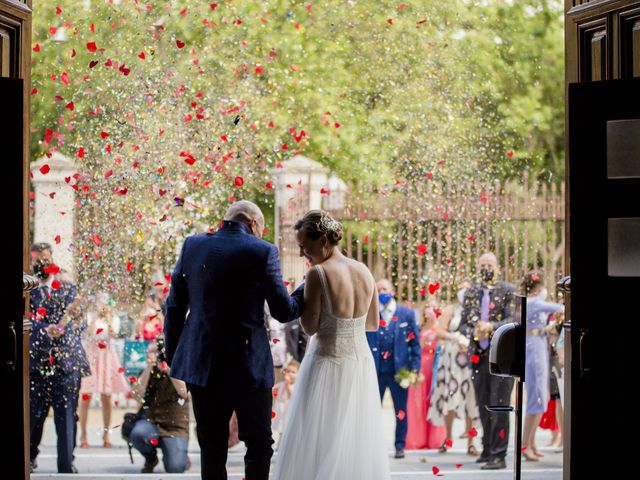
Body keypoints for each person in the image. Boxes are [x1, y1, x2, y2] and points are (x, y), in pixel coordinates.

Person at [164, 200, 304, 480]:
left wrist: (175, 357)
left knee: (212, 448)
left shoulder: (192, 245)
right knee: (259, 445)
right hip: (248, 364)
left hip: (203, 364)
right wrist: (307, 285)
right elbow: (283, 310)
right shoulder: (263, 250)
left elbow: (174, 306)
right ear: (253, 224)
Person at [272, 210, 390, 480]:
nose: (303, 254)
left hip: (326, 361)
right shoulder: (364, 270)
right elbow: (372, 323)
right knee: (354, 438)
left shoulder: (318, 274)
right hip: (359, 363)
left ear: (323, 240)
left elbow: (310, 327)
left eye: (305, 246)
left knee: (318, 437)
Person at [29, 242, 90, 473]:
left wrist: (69, 324)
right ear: (31, 262)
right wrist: (44, 329)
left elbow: (80, 323)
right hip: (36, 363)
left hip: (66, 361)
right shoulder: (27, 291)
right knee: (34, 415)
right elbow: (25, 322)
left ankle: (66, 464)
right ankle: (29, 456)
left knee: (65, 416)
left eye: (46, 259)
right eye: (38, 260)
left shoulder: (68, 289)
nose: (43, 264)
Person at [459, 252, 517, 470]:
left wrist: (490, 327)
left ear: (498, 267)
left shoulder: (509, 290)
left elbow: (514, 319)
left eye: (490, 264)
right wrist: (474, 331)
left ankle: (499, 455)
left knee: (499, 405)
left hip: (501, 357)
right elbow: (462, 324)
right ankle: (487, 447)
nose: (486, 268)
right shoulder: (472, 292)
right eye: (482, 265)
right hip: (478, 356)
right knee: (483, 404)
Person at [366, 278, 422, 459]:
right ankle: (372, 445)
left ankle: (400, 445)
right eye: (379, 289)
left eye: (385, 288)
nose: (382, 292)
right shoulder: (370, 313)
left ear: (392, 290)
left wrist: (414, 370)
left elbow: (415, 344)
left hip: (400, 372)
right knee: (373, 411)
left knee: (400, 411)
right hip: (376, 372)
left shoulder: (406, 314)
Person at [428, 280, 480, 456]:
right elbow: (439, 331)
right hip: (451, 360)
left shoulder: (476, 310)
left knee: (471, 400)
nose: (464, 292)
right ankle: (448, 438)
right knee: (450, 396)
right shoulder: (451, 309)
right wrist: (454, 337)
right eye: (461, 288)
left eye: (467, 289)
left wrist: (471, 342)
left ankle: (471, 443)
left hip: (470, 360)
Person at [130, 336, 190, 473]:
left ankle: (179, 453)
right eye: (151, 352)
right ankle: (151, 458)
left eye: (158, 352)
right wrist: (149, 367)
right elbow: (136, 395)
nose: (156, 356)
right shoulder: (148, 372)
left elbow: (184, 392)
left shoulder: (179, 369)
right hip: (151, 422)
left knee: (175, 468)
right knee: (138, 434)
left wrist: (169, 368)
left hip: (175, 427)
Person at [520, 272, 564, 461]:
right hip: (534, 349)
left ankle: (531, 442)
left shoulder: (531, 302)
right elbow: (561, 307)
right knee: (535, 398)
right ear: (538, 287)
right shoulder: (534, 302)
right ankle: (524, 445)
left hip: (538, 345)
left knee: (540, 398)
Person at [78, 293, 130, 448]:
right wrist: (94, 318)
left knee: (106, 396)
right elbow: (87, 333)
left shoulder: (113, 318)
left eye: (105, 303)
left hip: (106, 356)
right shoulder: (89, 316)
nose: (102, 306)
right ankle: (83, 434)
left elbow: (114, 334)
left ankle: (106, 434)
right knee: (85, 395)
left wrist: (107, 318)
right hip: (91, 355)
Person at [405, 303, 447, 450]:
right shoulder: (419, 328)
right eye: (427, 309)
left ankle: (435, 440)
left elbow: (443, 347)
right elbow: (413, 348)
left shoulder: (441, 329)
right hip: (421, 367)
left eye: (432, 309)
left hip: (435, 366)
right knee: (417, 402)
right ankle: (417, 439)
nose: (429, 312)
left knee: (433, 400)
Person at [271, 359, 300, 448]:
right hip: (280, 410)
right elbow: (274, 391)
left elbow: (292, 396)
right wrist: (274, 392)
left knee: (286, 429)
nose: (289, 374)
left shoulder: (296, 386)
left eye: (293, 372)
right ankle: (277, 444)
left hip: (288, 410)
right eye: (287, 371)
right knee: (278, 428)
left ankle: (284, 445)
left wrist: (287, 385)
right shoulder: (281, 384)